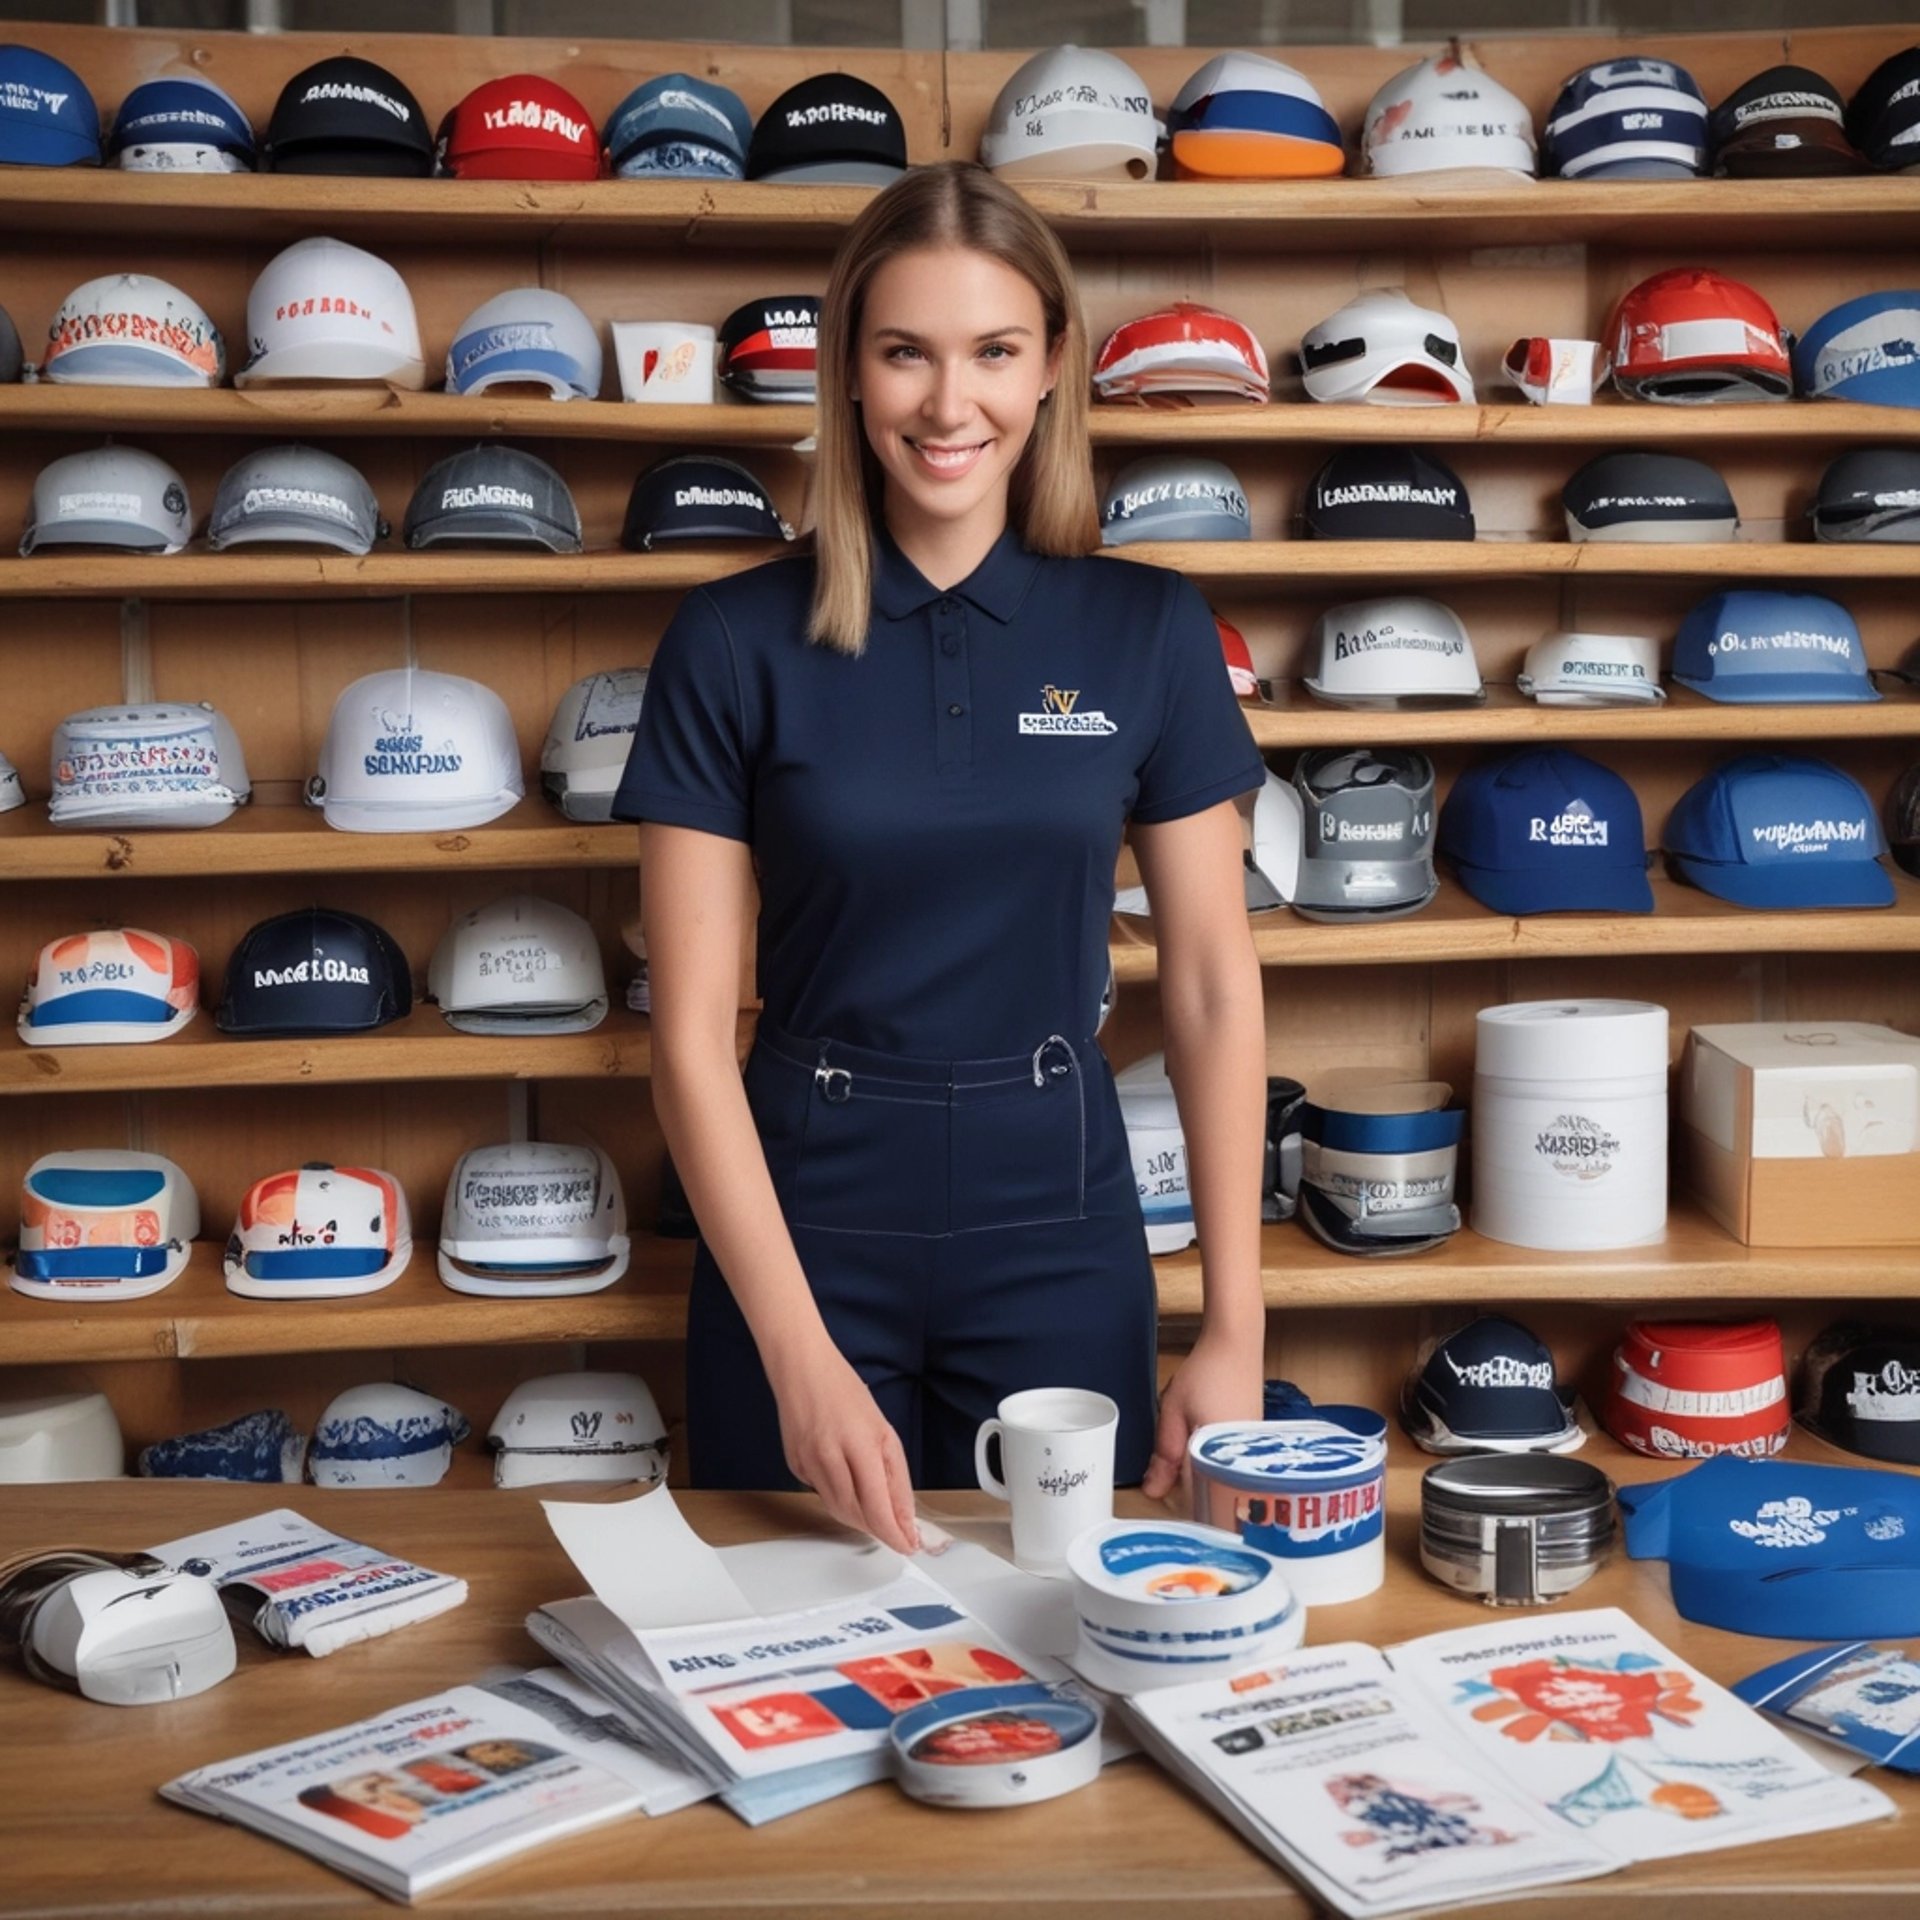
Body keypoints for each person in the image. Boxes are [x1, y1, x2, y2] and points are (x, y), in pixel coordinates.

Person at [614, 160, 1267, 1554]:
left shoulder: (1148, 631)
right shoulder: (728, 642)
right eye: (906, 352)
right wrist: (795, 1360)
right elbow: (685, 1045)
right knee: (788, 1646)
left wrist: (1235, 1322)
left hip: (1059, 1219)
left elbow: (1211, 988)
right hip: (798, 1222)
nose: (948, 402)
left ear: (1051, 371)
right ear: (850, 369)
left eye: (993, 353)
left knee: (1061, 1641)